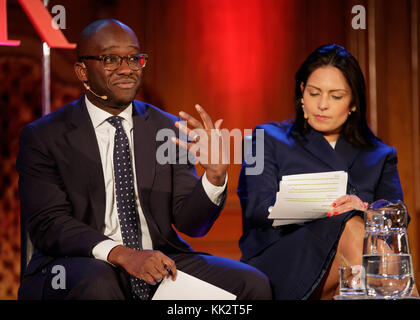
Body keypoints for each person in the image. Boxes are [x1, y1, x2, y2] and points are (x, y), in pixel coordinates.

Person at [17, 19, 272, 300]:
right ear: (82, 71)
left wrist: (213, 178)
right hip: (73, 264)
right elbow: (49, 223)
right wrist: (122, 254)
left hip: (159, 259)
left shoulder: (166, 128)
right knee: (101, 283)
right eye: (111, 59)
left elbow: (191, 224)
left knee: (252, 285)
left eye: (134, 58)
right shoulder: (44, 136)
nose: (127, 69)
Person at [237, 44, 411, 299]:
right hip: (281, 258)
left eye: (336, 96)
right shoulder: (264, 137)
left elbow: (398, 219)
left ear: (353, 102)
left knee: (360, 238)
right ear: (301, 92)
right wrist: (329, 206)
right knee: (351, 227)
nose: (322, 105)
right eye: (314, 93)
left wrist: (363, 208)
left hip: (356, 258)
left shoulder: (380, 154)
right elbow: (257, 208)